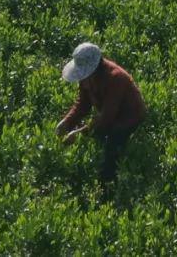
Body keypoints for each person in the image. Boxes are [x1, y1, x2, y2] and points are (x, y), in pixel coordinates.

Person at [57, 42, 147, 186]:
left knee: (111, 147)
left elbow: (107, 118)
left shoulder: (116, 78)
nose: (82, 81)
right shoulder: (87, 77)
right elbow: (83, 104)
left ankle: (107, 187)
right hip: (108, 114)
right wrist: (67, 122)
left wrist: (79, 133)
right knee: (94, 134)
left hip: (128, 117)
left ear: (95, 68)